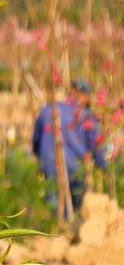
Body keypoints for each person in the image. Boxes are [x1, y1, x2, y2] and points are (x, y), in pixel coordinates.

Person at [32, 80, 109, 219]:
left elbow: (36, 140)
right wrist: (103, 166)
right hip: (73, 164)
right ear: (84, 96)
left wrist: (38, 157)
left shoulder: (47, 110)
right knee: (76, 201)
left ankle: (56, 229)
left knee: (53, 197)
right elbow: (95, 144)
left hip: (48, 161)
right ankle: (69, 227)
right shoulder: (85, 115)